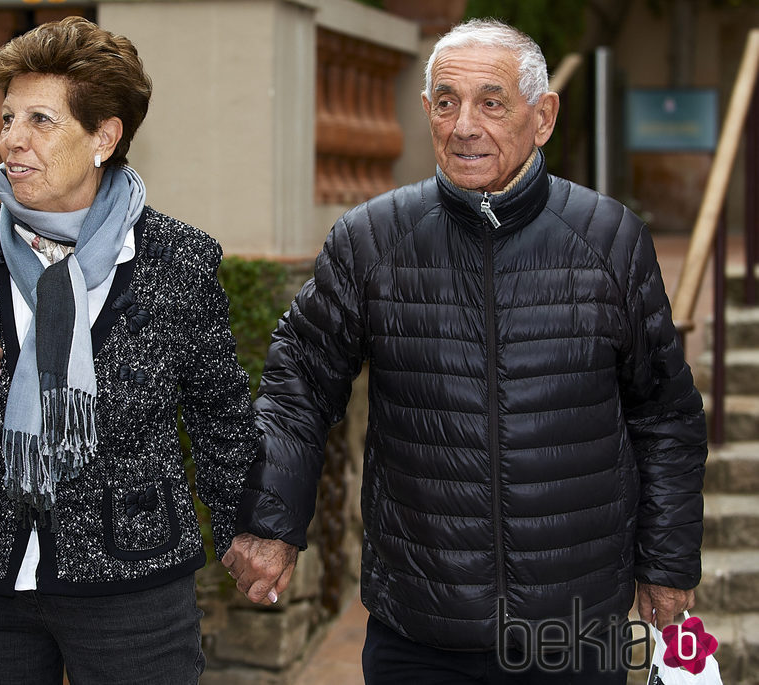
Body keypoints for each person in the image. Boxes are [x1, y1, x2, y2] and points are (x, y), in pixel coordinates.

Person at [222, 18, 707, 684]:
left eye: (491, 102)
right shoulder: (370, 239)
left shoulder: (611, 239)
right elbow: (298, 383)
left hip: (571, 623)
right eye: (446, 102)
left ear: (543, 117)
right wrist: (270, 519)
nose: (463, 124)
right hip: (420, 625)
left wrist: (667, 561)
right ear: (426, 112)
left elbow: (665, 414)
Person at [0, 16, 257, 685]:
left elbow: (220, 413)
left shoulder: (177, 260)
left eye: (41, 119)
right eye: (8, 117)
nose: (13, 139)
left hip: (134, 586)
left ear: (104, 136)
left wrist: (252, 528)